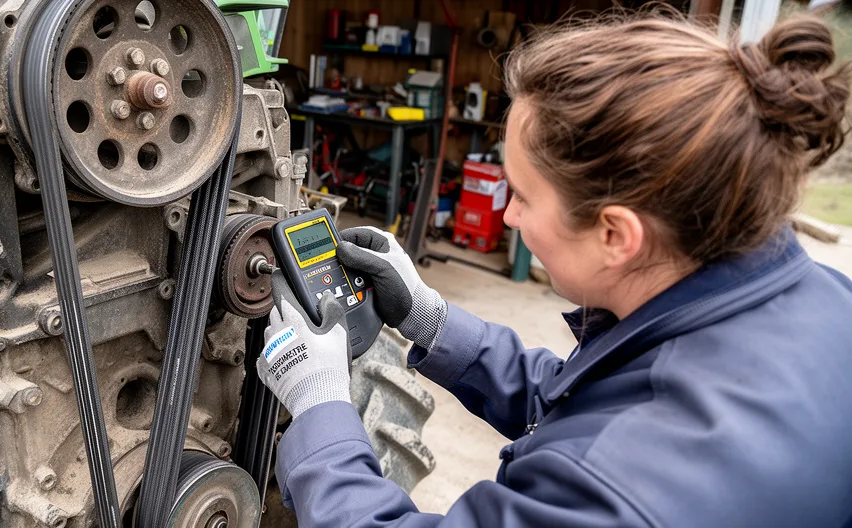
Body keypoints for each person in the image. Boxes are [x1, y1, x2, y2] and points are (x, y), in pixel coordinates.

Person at [255, 11, 852, 527]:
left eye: (523, 195)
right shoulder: (820, 300)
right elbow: (587, 403)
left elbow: (608, 449)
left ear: (616, 233)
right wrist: (427, 317)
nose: (507, 216)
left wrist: (320, 406)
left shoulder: (619, 490)